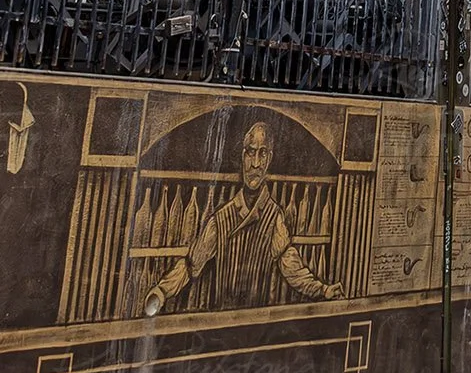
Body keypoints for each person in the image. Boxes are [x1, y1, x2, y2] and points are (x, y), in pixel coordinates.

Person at [142, 122, 338, 315]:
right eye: (251, 153)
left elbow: (293, 269)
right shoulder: (221, 218)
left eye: (262, 154)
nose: (255, 164)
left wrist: (322, 290)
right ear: (243, 156)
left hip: (255, 324)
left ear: (269, 159)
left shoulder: (274, 217)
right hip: (221, 320)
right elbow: (190, 265)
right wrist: (161, 291)